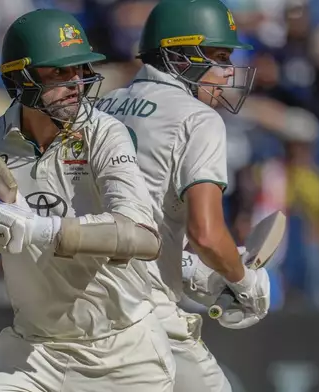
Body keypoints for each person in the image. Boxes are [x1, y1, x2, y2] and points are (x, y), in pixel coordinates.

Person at [0, 8, 176, 392]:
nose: (75, 83)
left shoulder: (105, 134)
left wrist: (42, 230)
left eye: (79, 70)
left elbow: (144, 236)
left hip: (124, 349)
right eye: (59, 73)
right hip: (35, 349)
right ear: (20, 79)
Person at [97, 0, 271, 391]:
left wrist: (189, 270)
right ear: (179, 55)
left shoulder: (99, 107)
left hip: (77, 306)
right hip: (141, 310)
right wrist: (243, 280)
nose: (229, 72)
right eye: (220, 57)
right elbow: (206, 234)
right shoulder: (198, 119)